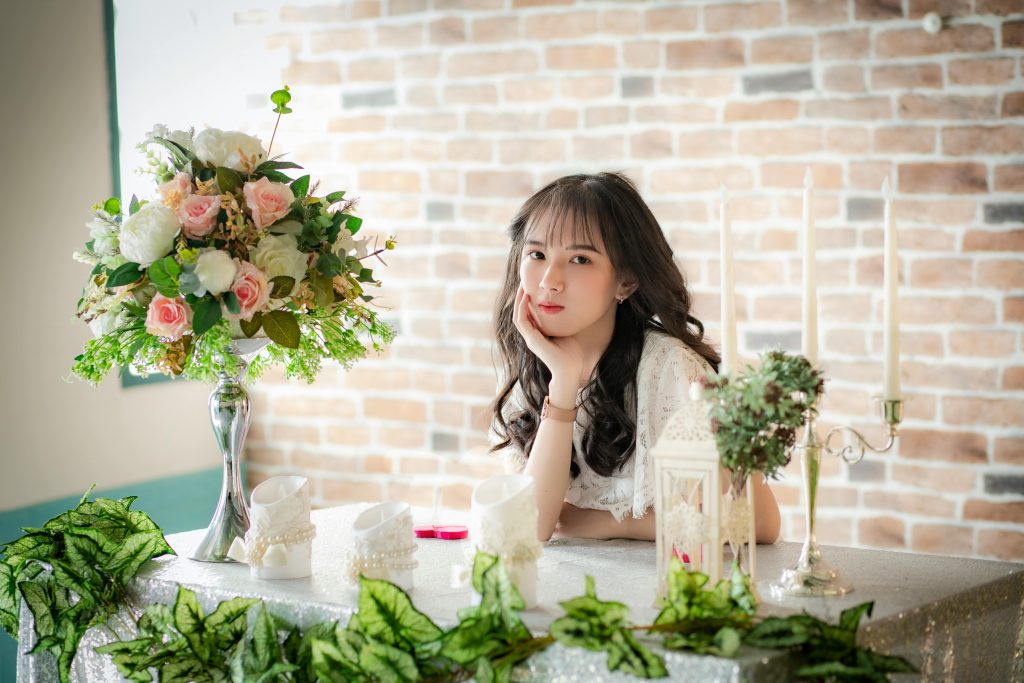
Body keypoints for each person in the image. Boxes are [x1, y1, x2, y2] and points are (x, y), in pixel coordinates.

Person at [489, 172, 781, 543]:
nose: (550, 280)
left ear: (625, 281)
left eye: (580, 259)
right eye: (537, 254)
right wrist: (563, 381)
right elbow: (530, 528)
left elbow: (761, 522)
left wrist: (616, 523)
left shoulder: (670, 368)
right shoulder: (534, 365)